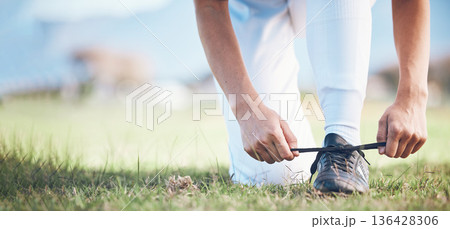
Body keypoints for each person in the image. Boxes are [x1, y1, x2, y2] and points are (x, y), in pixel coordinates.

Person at [194, 0, 429, 193]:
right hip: (252, 5)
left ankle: (343, 144)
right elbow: (209, 6)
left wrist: (413, 97)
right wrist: (247, 111)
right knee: (275, 176)